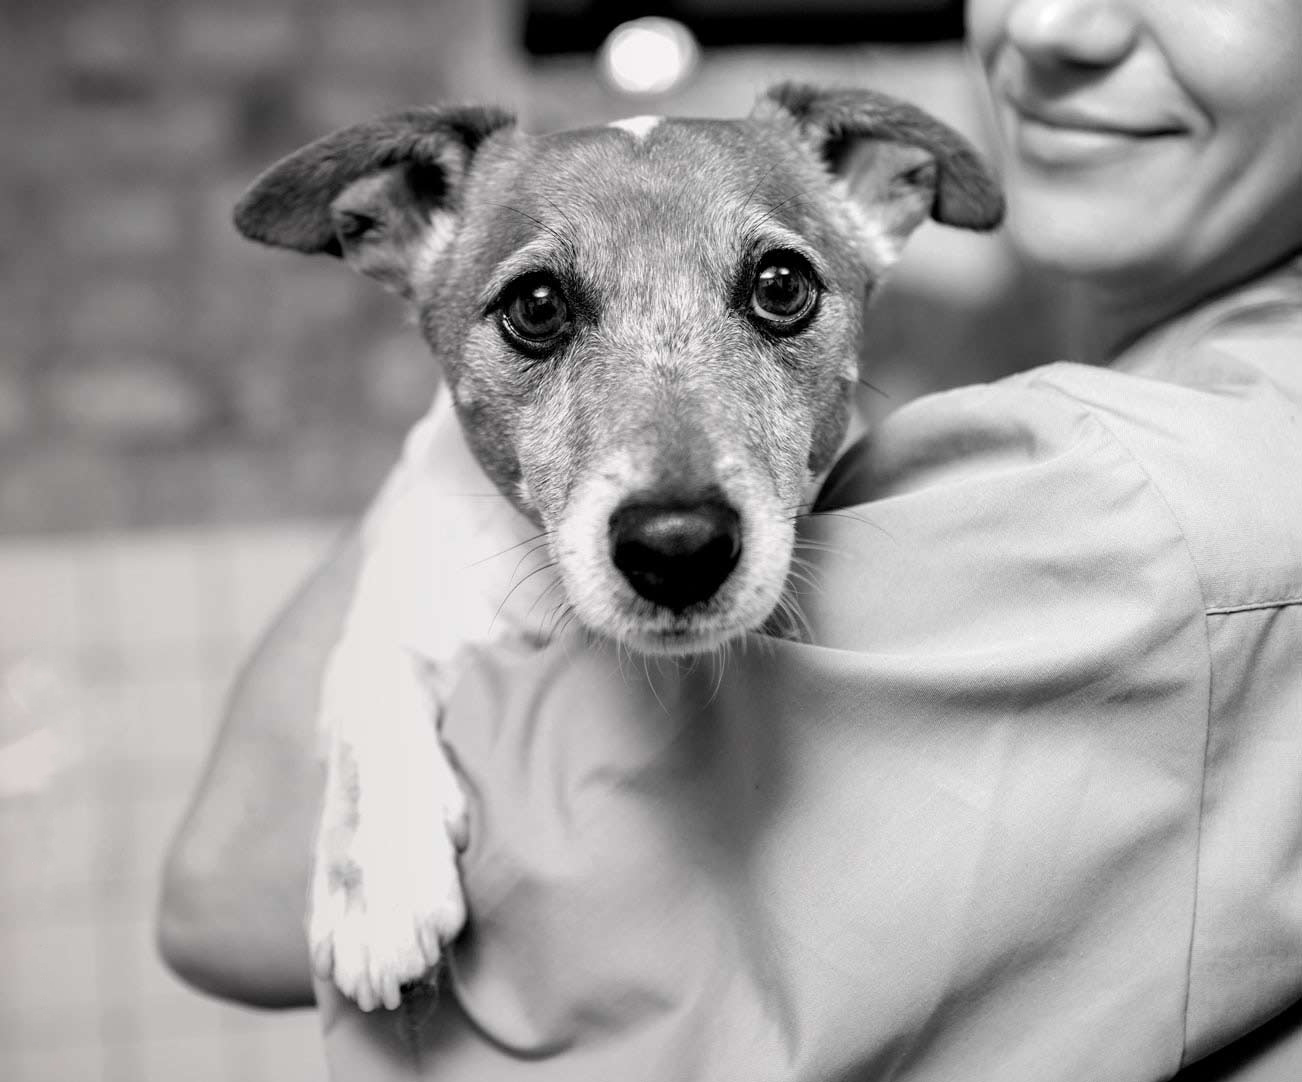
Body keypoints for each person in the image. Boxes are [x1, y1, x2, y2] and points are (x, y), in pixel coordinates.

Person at [158, 0, 1302, 1077]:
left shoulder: (1145, 512)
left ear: (888, 195)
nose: (1057, 23)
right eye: (543, 311)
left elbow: (227, 892)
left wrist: (448, 451)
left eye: (775, 293)